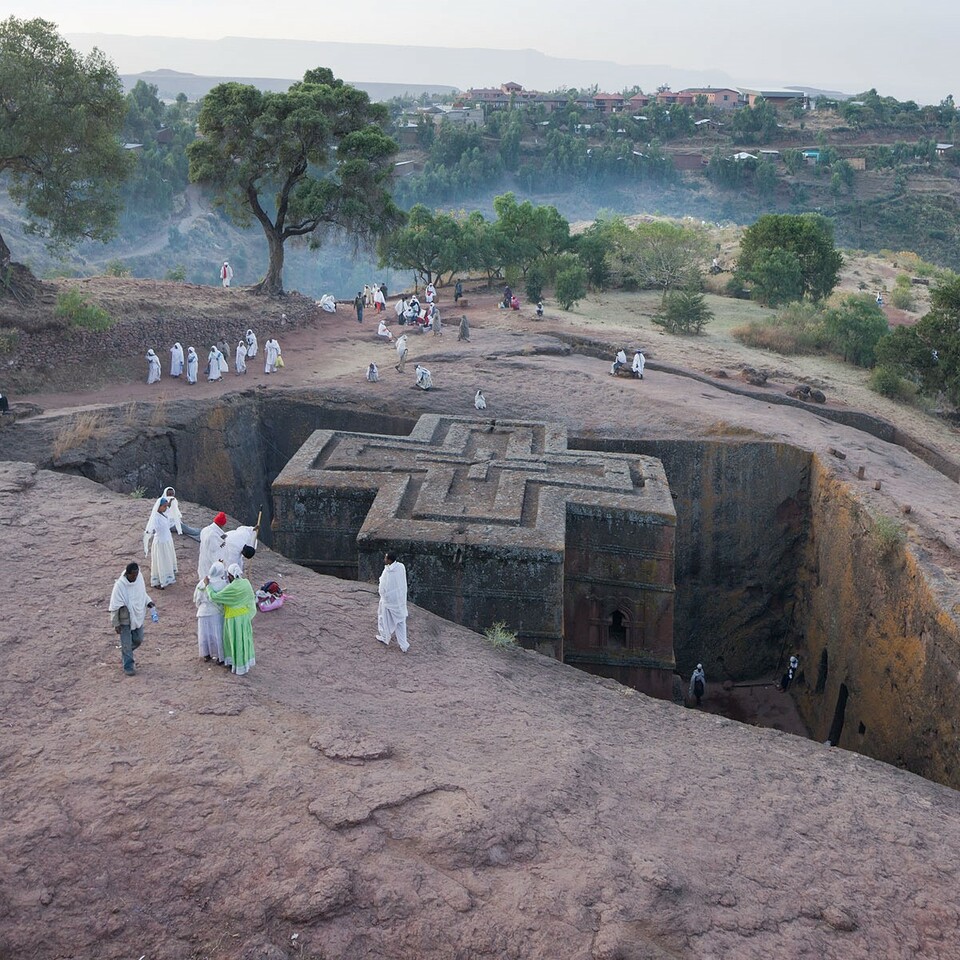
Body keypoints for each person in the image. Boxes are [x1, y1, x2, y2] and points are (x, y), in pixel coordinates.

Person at [206, 563, 257, 675]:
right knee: (243, 640)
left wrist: (208, 586)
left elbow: (215, 597)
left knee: (234, 642)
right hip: (244, 618)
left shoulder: (231, 588)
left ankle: (236, 664)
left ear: (231, 576)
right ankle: (244, 664)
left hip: (233, 619)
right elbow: (250, 599)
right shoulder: (246, 583)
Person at [109, 561, 156, 676]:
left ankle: (126, 652)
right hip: (125, 618)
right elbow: (114, 606)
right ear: (127, 574)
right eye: (133, 574)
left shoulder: (139, 579)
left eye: (136, 573)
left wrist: (148, 602)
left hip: (137, 616)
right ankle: (128, 666)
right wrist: (116, 624)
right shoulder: (120, 586)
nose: (135, 576)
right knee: (126, 642)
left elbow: (141, 593)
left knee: (138, 639)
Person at [194, 561, 227, 664]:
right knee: (217, 635)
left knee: (204, 634)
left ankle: (206, 654)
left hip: (202, 612)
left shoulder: (202, 582)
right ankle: (219, 657)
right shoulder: (223, 584)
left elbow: (196, 598)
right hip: (215, 613)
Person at [376, 552, 409, 653]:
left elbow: (382, 588)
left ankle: (385, 637)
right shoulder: (401, 567)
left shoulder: (387, 571)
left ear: (390, 560)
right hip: (399, 600)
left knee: (383, 618)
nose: (384, 559)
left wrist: (383, 596)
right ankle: (404, 645)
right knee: (400, 622)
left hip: (388, 601)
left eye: (386, 558)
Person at [143, 498, 179, 589]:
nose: (165, 508)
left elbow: (168, 515)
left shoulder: (163, 514)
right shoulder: (155, 517)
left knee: (167, 559)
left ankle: (168, 575)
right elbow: (151, 528)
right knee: (161, 561)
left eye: (166, 506)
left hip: (167, 540)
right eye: (164, 506)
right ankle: (159, 580)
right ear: (158, 507)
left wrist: (169, 504)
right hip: (160, 542)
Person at [198, 511, 228, 579]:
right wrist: (220, 562)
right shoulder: (213, 535)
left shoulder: (205, 529)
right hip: (210, 561)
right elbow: (215, 551)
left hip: (204, 558)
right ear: (221, 524)